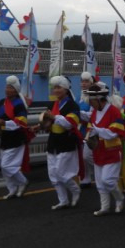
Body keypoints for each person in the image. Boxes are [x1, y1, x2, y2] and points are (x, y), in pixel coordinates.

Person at [0, 76, 32, 200]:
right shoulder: (1, 102)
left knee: (6, 165)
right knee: (4, 165)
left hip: (17, 138)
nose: (7, 89)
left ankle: (22, 181)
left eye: (10, 88)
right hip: (5, 137)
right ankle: (12, 189)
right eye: (6, 87)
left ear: (16, 90)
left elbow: (21, 123)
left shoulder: (19, 105)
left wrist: (4, 124)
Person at [85, 81, 125, 215]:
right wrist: (89, 136)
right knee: (100, 183)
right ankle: (105, 207)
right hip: (98, 150)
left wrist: (97, 130)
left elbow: (114, 132)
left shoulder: (114, 111)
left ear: (99, 99)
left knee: (107, 180)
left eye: (91, 100)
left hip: (112, 151)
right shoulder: (94, 113)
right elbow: (90, 129)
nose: (89, 102)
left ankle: (120, 198)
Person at [42, 76, 83, 210]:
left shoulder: (72, 105)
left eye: (59, 87)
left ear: (65, 89)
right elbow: (48, 123)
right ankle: (63, 200)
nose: (56, 90)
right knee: (53, 175)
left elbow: (70, 124)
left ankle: (75, 190)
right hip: (53, 141)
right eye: (54, 87)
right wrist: (42, 125)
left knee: (60, 173)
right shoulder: (51, 104)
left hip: (66, 142)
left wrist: (54, 117)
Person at [78, 71, 96, 187]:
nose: (84, 84)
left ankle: (102, 170)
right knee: (82, 157)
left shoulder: (94, 97)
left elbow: (91, 116)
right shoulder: (80, 97)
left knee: (87, 155)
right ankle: (85, 179)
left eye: (86, 82)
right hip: (81, 130)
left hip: (91, 130)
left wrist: (77, 113)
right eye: (82, 81)